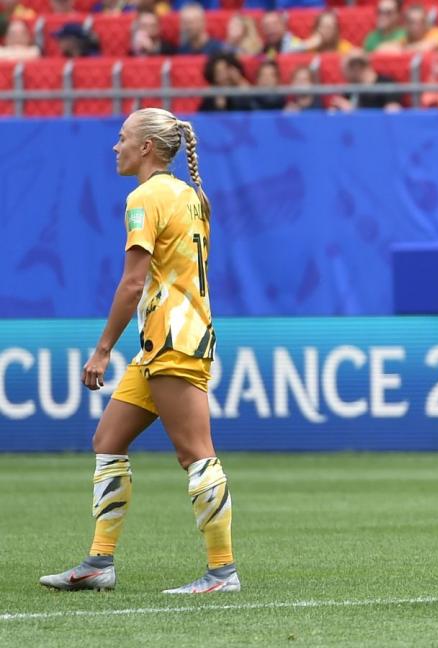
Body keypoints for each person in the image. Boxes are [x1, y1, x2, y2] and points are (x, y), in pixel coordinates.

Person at [39, 108, 238, 595]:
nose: (116, 145)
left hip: (172, 339)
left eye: (123, 137)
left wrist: (103, 349)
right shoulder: (189, 195)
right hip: (167, 339)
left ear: (146, 147)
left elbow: (131, 283)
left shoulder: (144, 197)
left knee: (195, 454)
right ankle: (99, 563)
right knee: (108, 440)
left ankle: (222, 571)